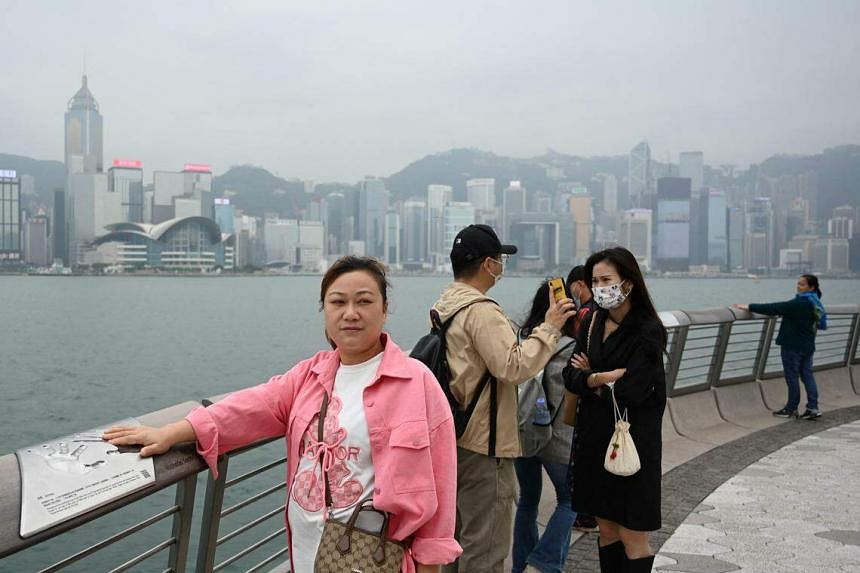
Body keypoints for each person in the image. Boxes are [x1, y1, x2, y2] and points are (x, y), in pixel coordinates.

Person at [104, 256, 461, 573]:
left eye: (364, 301)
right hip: (305, 554)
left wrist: (430, 565)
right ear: (325, 311)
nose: (350, 313)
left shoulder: (417, 384)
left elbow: (441, 491)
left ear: (384, 310)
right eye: (338, 302)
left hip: (373, 558)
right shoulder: (309, 376)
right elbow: (247, 407)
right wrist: (171, 432)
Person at [432, 224, 576, 573]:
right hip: (484, 443)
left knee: (454, 543)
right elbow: (512, 366)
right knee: (485, 550)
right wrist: (551, 326)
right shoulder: (482, 310)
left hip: (455, 437)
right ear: (487, 265)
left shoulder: (445, 303)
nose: (501, 265)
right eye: (499, 259)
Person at [562, 247, 667, 573]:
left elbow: (632, 391)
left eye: (606, 279)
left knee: (632, 534)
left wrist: (589, 377)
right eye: (594, 281)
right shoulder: (592, 321)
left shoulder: (648, 330)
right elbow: (570, 375)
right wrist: (602, 377)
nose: (599, 287)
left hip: (632, 444)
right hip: (594, 440)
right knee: (606, 529)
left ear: (628, 283)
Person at [512, 281, 578, 573]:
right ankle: (543, 563)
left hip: (523, 430)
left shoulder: (524, 338)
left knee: (528, 501)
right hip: (557, 437)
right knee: (570, 500)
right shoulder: (571, 344)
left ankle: (520, 566)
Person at [734, 274, 827, 420]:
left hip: (792, 346)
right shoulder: (814, 303)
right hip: (807, 346)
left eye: (802, 284)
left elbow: (774, 307)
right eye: (798, 283)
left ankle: (791, 409)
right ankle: (813, 407)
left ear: (811, 287)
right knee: (807, 376)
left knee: (792, 377)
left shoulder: (799, 303)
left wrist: (748, 306)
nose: (798, 286)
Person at [564, 265, 599, 534]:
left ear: (578, 284)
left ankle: (584, 514)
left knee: (580, 458)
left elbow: (576, 355)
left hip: (585, 392)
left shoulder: (586, 313)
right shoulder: (602, 312)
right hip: (597, 389)